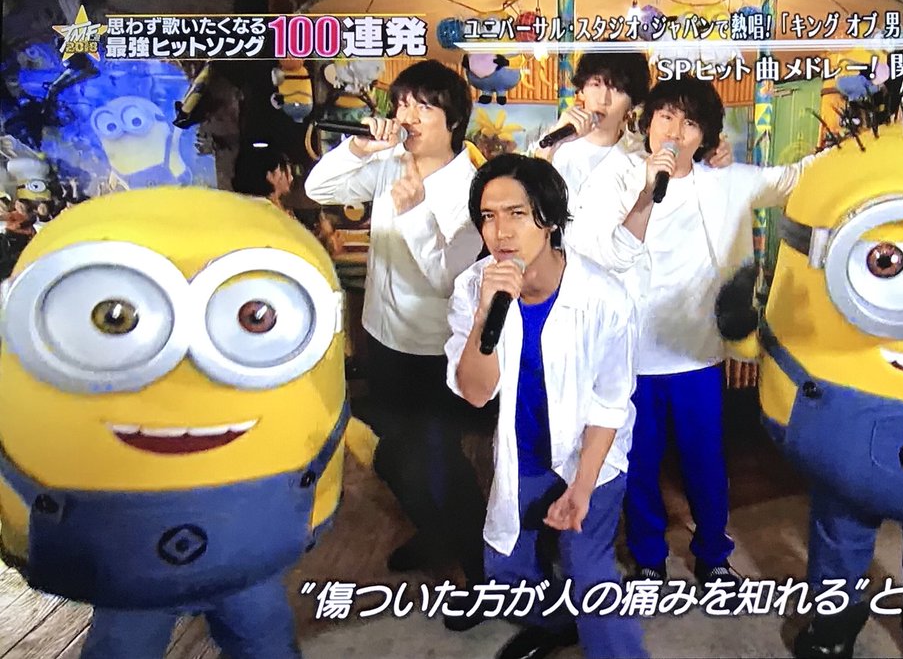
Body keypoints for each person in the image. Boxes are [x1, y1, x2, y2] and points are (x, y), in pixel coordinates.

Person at [568, 75, 820, 587]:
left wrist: (868, 146)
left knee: (705, 463)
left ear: (704, 136)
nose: (674, 131)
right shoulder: (613, 179)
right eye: (666, 116)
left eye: (689, 123)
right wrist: (644, 192)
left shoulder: (725, 182)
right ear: (648, 122)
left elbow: (793, 178)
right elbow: (588, 246)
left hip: (695, 354)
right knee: (638, 463)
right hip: (629, 354)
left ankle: (713, 555)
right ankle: (648, 557)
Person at [304, 60, 489, 617]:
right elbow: (318, 187)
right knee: (393, 456)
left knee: (440, 463)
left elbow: (447, 278)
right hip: (382, 337)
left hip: (434, 351)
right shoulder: (389, 162)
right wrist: (360, 150)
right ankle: (435, 535)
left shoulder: (473, 187)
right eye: (403, 103)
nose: (407, 115)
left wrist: (413, 213)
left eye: (423, 106)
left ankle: (480, 573)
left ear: (452, 120)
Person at [447, 153, 646, 659]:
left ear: (551, 219)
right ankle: (556, 625)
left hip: (590, 455)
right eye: (488, 217)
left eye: (517, 213)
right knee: (505, 568)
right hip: (524, 454)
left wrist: (581, 488)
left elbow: (610, 403)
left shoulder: (604, 296)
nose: (501, 232)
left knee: (588, 571)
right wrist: (485, 316)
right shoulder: (474, 288)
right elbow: (475, 392)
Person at [532, 52, 732, 217]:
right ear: (581, 90)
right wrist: (549, 148)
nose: (603, 99)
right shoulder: (549, 144)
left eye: (617, 90)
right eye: (595, 84)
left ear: (633, 103)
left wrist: (713, 153)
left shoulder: (643, 156)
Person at [232, 144, 294, 212]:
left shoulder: (237, 206)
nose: (291, 179)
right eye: (288, 174)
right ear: (272, 175)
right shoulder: (270, 212)